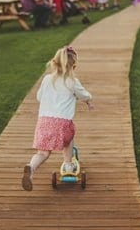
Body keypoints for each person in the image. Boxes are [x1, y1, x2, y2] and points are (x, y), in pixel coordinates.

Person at [21, 46, 95, 191]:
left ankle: (31, 168)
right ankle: (68, 164)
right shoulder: (72, 81)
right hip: (62, 123)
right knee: (68, 139)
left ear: (55, 63)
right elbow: (84, 95)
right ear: (73, 65)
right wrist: (88, 100)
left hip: (44, 122)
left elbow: (39, 97)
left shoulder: (47, 79)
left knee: (43, 152)